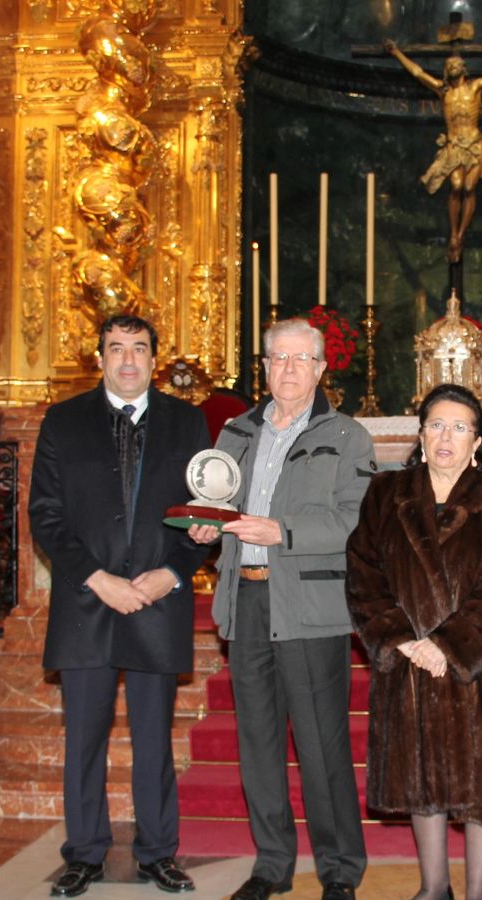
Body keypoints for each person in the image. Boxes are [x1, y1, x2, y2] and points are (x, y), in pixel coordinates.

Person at [188, 318, 372, 900]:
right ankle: (271, 864)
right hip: (245, 598)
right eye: (277, 359)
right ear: (264, 366)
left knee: (321, 746)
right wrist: (204, 527)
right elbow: (216, 506)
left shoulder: (348, 436)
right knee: (258, 742)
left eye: (300, 359)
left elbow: (356, 520)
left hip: (311, 606)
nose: (288, 369)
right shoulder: (235, 432)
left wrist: (282, 531)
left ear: (321, 369)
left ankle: (340, 869)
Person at [28, 314, 209, 898]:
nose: (127, 360)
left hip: (158, 599)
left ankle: (158, 853)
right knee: (84, 737)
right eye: (115, 349)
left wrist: (174, 574)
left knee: (154, 739)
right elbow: (46, 517)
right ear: (99, 357)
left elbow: (203, 513)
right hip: (88, 600)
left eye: (138, 349)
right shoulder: (63, 421)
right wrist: (96, 578)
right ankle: (84, 853)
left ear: (155, 359)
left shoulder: (187, 423)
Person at [346, 384, 482, 900]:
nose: (445, 436)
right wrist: (401, 638)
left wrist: (448, 646)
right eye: (435, 425)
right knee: (419, 776)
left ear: (477, 441)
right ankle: (433, 888)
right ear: (420, 433)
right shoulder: (386, 494)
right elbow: (363, 573)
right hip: (408, 662)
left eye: (458, 427)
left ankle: (479, 891)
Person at [384, 39, 482, 263]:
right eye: (448, 64)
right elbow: (418, 73)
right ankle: (453, 232)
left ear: (464, 68)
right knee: (457, 185)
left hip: (474, 144)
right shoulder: (443, 91)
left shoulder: (475, 87)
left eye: (456, 64)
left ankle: (458, 237)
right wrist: (396, 53)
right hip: (453, 146)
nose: (452, 66)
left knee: (469, 187)